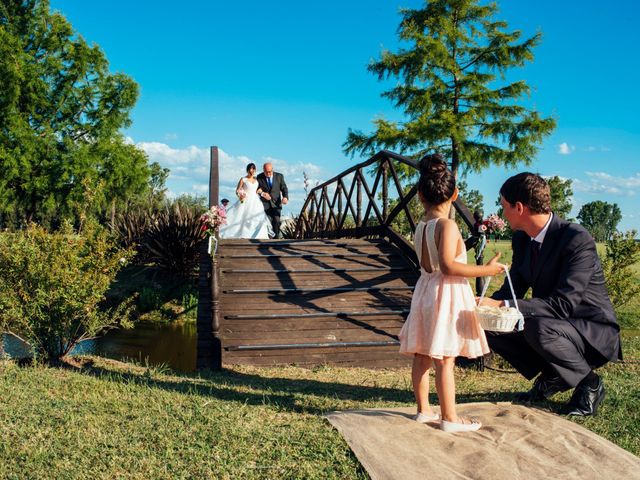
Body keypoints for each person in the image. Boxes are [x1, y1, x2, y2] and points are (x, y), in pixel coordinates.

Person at [480, 173, 622, 416]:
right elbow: (513, 287)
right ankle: (556, 375)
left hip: (590, 330)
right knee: (487, 324)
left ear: (520, 207)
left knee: (537, 327)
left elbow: (563, 305)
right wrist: (484, 306)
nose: (502, 213)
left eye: (504, 207)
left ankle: (589, 384)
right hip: (551, 323)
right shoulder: (522, 239)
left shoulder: (576, 239)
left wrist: (502, 303)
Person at [398, 153, 506, 433]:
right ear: (455, 193)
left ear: (420, 194)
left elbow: (430, 265)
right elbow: (448, 266)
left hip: (424, 290)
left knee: (422, 354)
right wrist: (488, 271)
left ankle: (423, 410)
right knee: (445, 358)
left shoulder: (421, 226)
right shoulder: (447, 225)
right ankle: (450, 418)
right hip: (445, 295)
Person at [219, 163, 274, 239]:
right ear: (248, 170)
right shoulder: (243, 179)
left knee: (257, 217)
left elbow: (258, 189)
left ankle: (258, 235)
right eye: (251, 168)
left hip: (255, 201)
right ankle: (242, 233)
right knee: (242, 217)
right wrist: (241, 195)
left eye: (253, 168)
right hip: (245, 200)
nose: (252, 170)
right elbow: (237, 191)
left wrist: (263, 193)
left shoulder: (256, 179)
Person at [256, 162, 288, 238]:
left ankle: (276, 239)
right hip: (265, 204)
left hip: (276, 203)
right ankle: (270, 239)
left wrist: (285, 197)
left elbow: (284, 188)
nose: (268, 173)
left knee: (276, 221)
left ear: (272, 170)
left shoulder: (279, 176)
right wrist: (263, 194)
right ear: (263, 170)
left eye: (270, 171)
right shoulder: (259, 177)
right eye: (266, 172)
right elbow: (257, 190)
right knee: (269, 221)